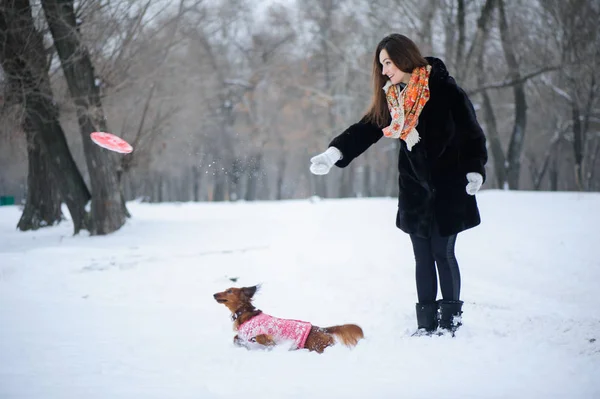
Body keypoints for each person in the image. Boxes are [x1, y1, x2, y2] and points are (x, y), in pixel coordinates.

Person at [309, 34, 488, 336]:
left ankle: (450, 323)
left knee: (442, 252)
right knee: (422, 256)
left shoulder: (443, 89)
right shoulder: (394, 97)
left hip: (449, 187)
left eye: (388, 62)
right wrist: (335, 152)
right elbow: (365, 128)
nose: (384, 70)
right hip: (415, 190)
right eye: (381, 65)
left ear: (404, 57)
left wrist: (475, 170)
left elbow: (471, 132)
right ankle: (427, 325)